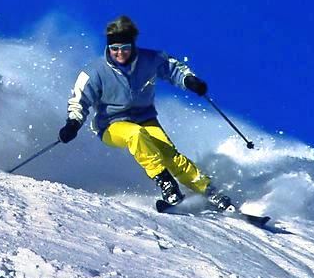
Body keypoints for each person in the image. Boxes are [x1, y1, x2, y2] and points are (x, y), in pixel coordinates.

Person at [57, 15, 232, 210]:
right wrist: (73, 123)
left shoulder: (150, 60)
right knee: (135, 134)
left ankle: (208, 190)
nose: (120, 53)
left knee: (169, 154)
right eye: (115, 48)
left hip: (145, 118)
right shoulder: (95, 72)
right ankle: (165, 182)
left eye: (125, 48)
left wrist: (190, 81)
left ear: (132, 46)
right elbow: (79, 101)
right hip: (111, 125)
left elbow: (174, 68)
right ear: (108, 48)